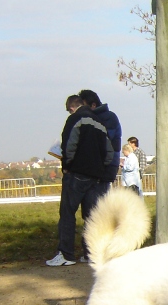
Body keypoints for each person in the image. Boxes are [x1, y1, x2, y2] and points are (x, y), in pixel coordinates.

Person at [46, 94, 113, 266]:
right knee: (91, 217)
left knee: (67, 214)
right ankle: (90, 254)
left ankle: (66, 254)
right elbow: (109, 152)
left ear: (71, 107)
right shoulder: (100, 123)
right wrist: (101, 168)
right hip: (95, 176)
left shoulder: (75, 119)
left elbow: (69, 146)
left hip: (76, 174)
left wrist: (66, 165)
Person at [78, 89, 122, 183]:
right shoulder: (103, 117)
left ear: (93, 105)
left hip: (106, 166)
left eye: (84, 107)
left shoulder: (109, 118)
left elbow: (103, 141)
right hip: (99, 164)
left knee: (99, 195)